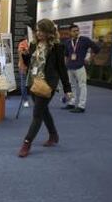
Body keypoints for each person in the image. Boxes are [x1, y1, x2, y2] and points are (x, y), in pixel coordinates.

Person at [18, 19, 72, 158]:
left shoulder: (57, 47)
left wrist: (67, 89)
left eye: (41, 30)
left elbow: (62, 69)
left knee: (37, 114)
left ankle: (26, 143)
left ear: (49, 32)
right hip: (33, 82)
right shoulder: (34, 44)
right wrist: (24, 55)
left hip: (47, 84)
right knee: (44, 111)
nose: (38, 33)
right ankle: (53, 135)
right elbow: (29, 63)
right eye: (37, 30)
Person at [62, 24, 100, 113]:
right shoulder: (67, 42)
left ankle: (81, 106)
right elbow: (66, 55)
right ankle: (71, 103)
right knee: (71, 86)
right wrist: (64, 66)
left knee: (82, 86)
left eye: (77, 30)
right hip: (70, 67)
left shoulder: (84, 40)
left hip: (80, 67)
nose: (76, 32)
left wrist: (89, 58)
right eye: (74, 31)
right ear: (70, 32)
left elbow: (97, 49)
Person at [18, 39, 30, 108]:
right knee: (23, 83)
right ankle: (25, 100)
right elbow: (20, 54)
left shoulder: (37, 42)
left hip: (33, 67)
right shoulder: (23, 43)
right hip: (24, 66)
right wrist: (23, 66)